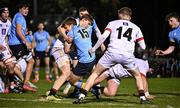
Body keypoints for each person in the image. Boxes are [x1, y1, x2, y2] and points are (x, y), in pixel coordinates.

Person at [73, 7, 149, 104]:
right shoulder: (136, 27)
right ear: (129, 17)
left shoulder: (112, 23)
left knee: (95, 73)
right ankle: (142, 98)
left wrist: (94, 49)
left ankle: (81, 96)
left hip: (112, 53)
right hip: (127, 56)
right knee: (138, 76)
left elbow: (103, 36)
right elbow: (143, 46)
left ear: (119, 15)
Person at [46, 17, 76, 101]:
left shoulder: (75, 27)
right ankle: (52, 94)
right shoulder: (71, 24)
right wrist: (66, 38)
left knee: (68, 74)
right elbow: (59, 27)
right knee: (66, 72)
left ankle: (51, 92)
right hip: (58, 49)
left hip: (61, 50)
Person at [8, 2, 36, 92]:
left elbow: (20, 32)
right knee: (29, 61)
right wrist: (27, 42)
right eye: (24, 9)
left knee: (13, 64)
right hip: (17, 44)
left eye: (27, 9)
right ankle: (23, 83)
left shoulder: (18, 16)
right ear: (20, 9)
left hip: (16, 44)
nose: (26, 10)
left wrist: (26, 34)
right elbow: (18, 31)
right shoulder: (20, 17)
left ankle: (16, 82)